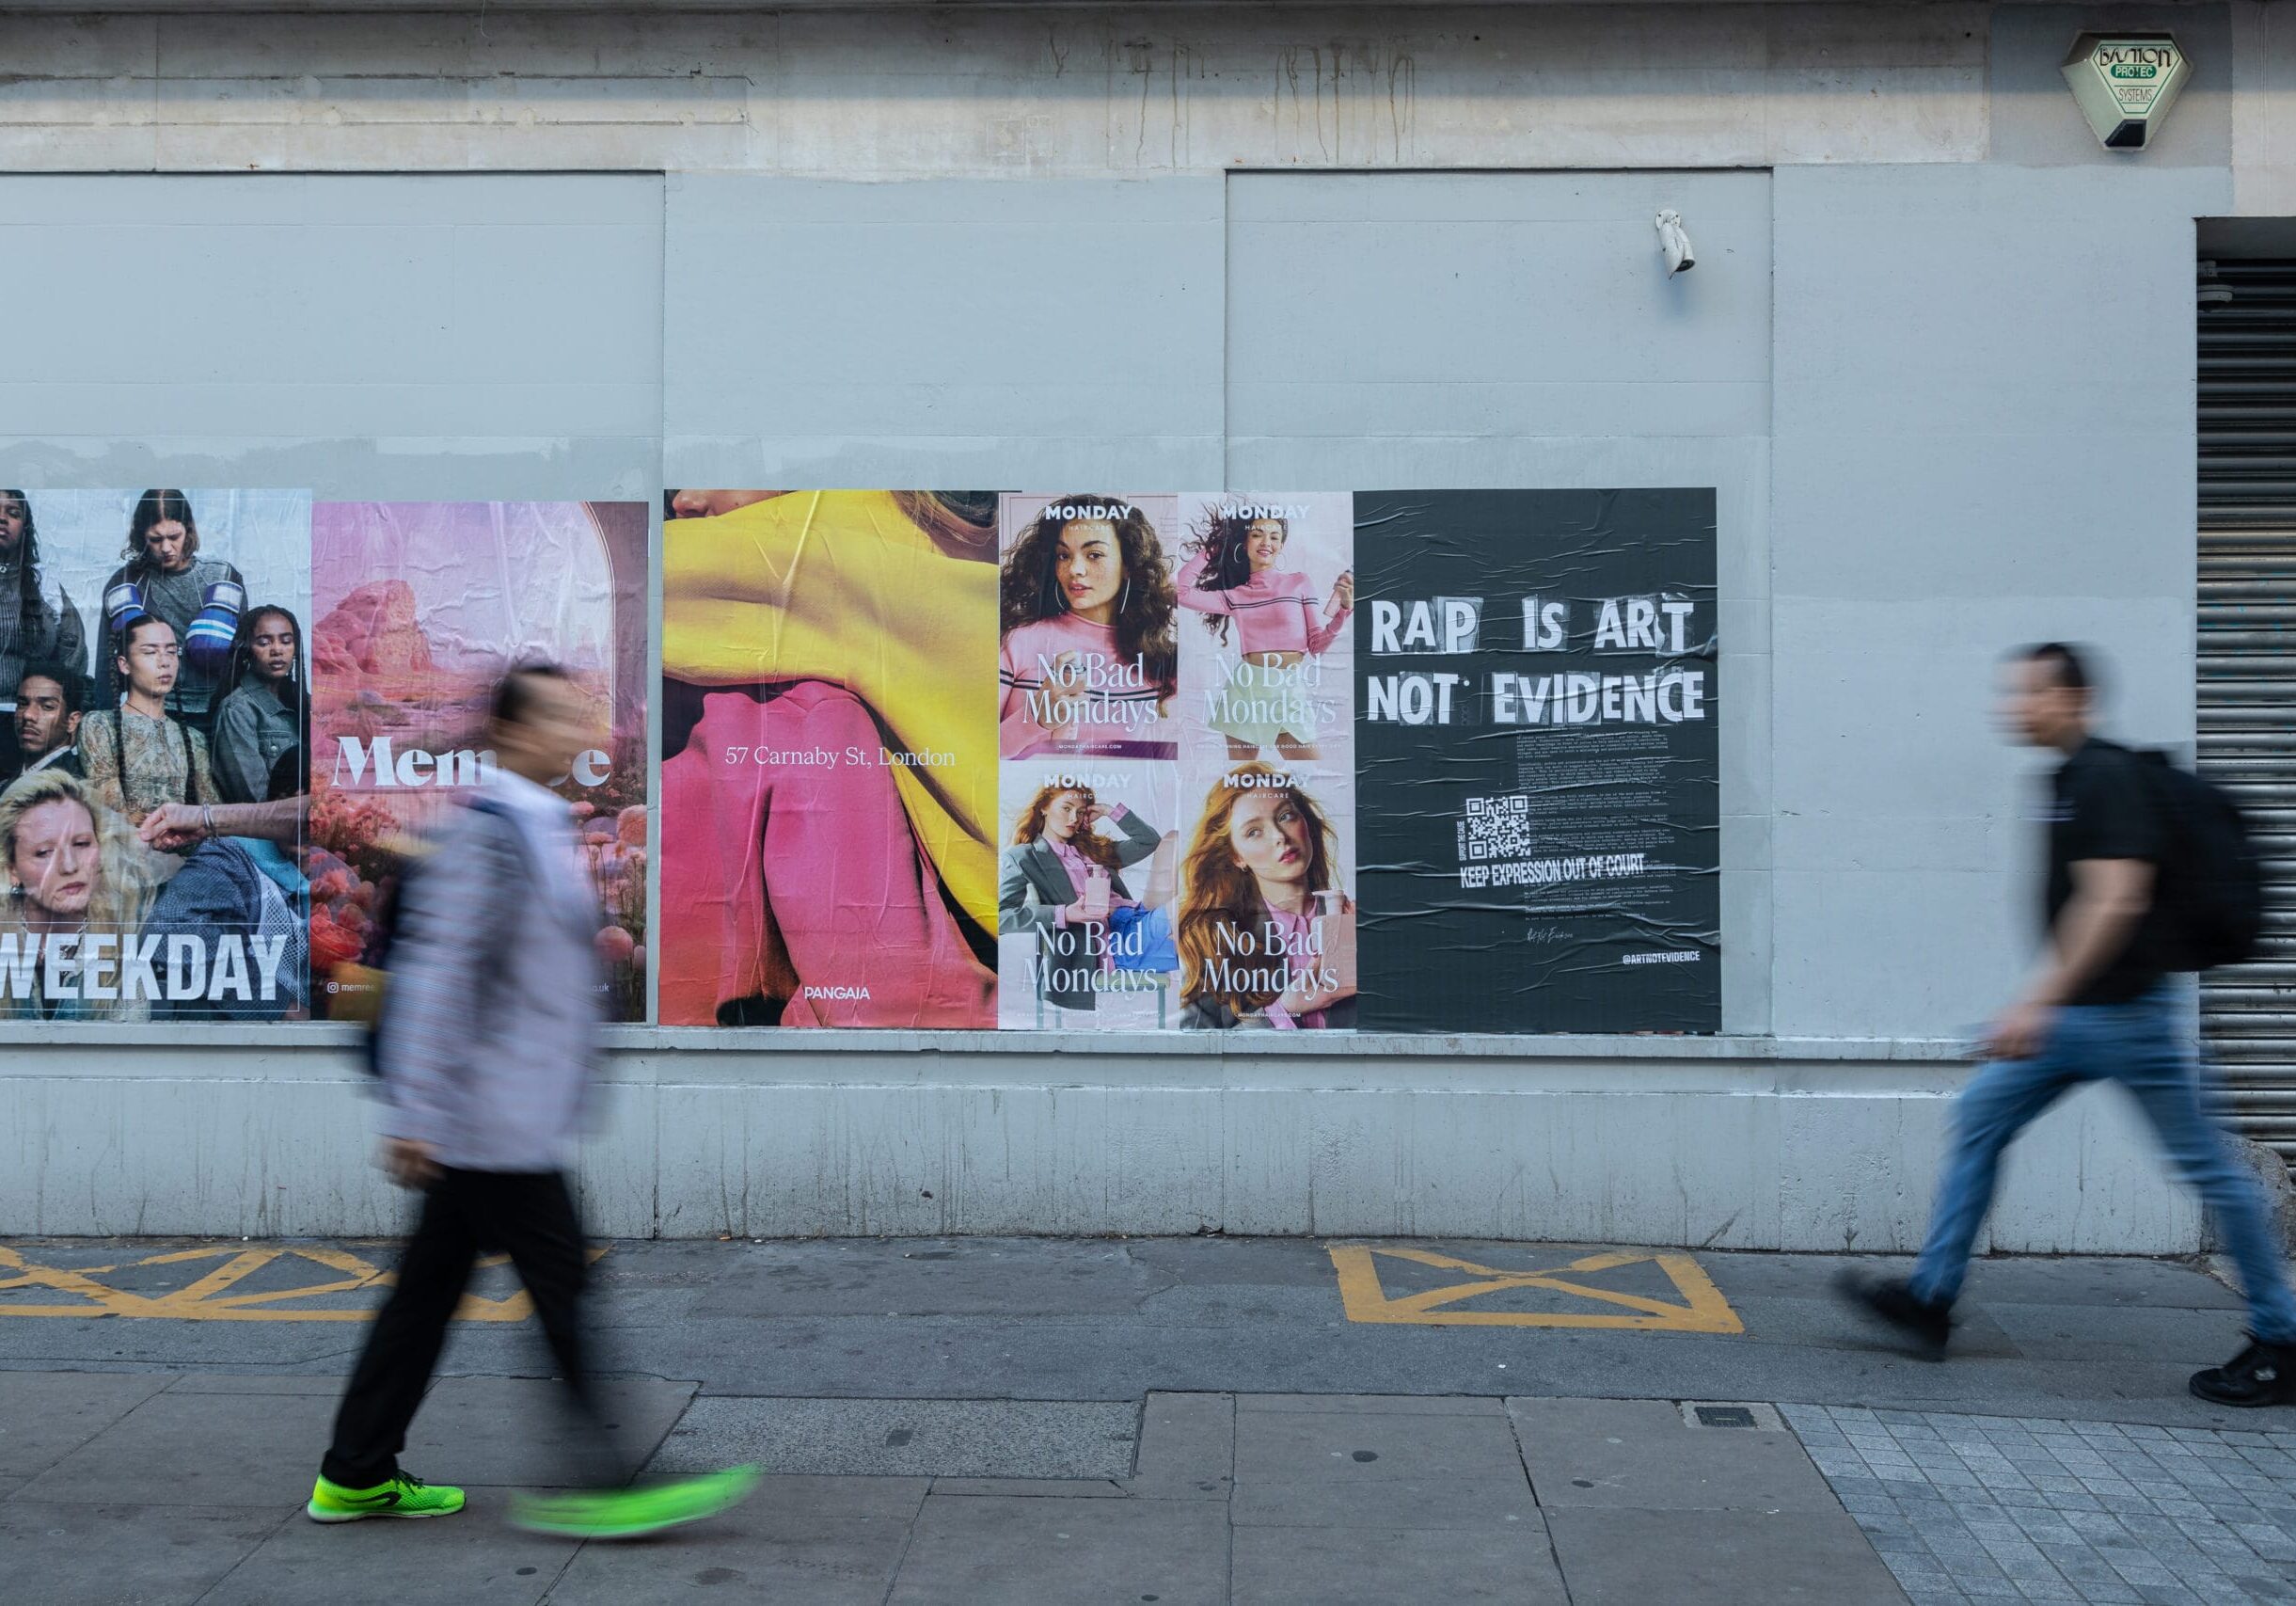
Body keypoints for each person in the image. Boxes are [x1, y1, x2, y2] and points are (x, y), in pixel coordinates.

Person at [310, 663, 755, 1537]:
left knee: (426, 1295)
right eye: (557, 716)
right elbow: (438, 981)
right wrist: (415, 1115)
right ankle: (608, 1481)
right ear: (512, 733)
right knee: (563, 1291)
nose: (578, 729)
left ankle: (355, 1470)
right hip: (487, 1118)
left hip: (508, 1112)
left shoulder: (545, 824)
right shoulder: (491, 834)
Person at [1839, 644, 2296, 1406]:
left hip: (2126, 1018)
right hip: (2082, 1016)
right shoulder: (2065, 779)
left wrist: (2034, 1001)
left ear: (2074, 699)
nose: (2014, 706)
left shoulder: (2102, 776)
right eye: (2013, 693)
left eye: (2030, 694)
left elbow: (2113, 896)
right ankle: (1929, 1300)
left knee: (2209, 1169)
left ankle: (2279, 1337)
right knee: (1981, 1117)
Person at [657, 490, 999, 1028]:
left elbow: (884, 997)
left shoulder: (814, 550)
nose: (685, 501)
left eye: (718, 460)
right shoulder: (993, 582)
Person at [1176, 764, 1357, 1029]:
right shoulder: (1212, 939)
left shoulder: (1356, 921)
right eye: (1254, 831)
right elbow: (1196, 1054)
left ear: (1304, 822)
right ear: (1236, 856)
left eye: (1285, 816)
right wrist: (1282, 1011)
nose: (1280, 837)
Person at [998, 498, 1178, 758]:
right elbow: (975, 757)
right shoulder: (1018, 641)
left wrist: (1164, 588)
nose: (1075, 569)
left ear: (1128, 564)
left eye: (1094, 555)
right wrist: (1034, 720)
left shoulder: (1157, 657)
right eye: (1064, 556)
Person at [1176, 508, 1354, 762]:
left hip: (1287, 690)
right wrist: (1213, 550)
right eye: (1257, 535)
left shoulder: (1299, 582)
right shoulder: (1235, 596)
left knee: (1311, 771)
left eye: (1274, 536)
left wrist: (1343, 611)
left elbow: (1316, 645)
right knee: (1242, 779)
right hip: (1245, 691)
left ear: (1281, 545)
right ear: (1244, 543)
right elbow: (1181, 592)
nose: (1266, 542)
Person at [998, 782, 1168, 1017]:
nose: (1073, 818)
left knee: (1196, 928)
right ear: (1044, 808)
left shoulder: (1094, 849)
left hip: (1135, 921)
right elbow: (1002, 917)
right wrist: (1064, 914)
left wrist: (1109, 810)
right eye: (1066, 808)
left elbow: (1149, 840)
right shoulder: (1023, 857)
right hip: (1112, 942)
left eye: (1080, 812)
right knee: (1188, 921)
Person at [0, 771, 152, 1022]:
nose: (69, 866)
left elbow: (131, 1053)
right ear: (12, 869)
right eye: (44, 852)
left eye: (81, 844)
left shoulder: (121, 941)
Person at [99, 489, 245, 722]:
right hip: (148, 711)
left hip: (215, 710)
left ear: (188, 529)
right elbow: (107, 660)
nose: (166, 548)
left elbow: (244, 654)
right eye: (155, 539)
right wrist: (105, 721)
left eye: (174, 536)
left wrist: (241, 716)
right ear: (141, 536)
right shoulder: (126, 581)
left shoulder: (222, 575)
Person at [77, 614, 215, 831]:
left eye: (172, 652)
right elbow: (110, 813)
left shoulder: (193, 738)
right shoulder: (99, 725)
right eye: (150, 652)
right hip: (126, 853)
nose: (165, 662)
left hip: (186, 851)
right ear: (124, 664)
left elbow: (211, 812)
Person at [0, 493, 89, 753]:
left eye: (13, 513)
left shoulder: (46, 583)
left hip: (32, 726)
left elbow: (73, 657)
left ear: (25, 528)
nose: (2, 519)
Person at [210, 605, 308, 803]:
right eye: (264, 642)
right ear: (247, 650)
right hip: (268, 828)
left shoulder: (305, 702)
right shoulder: (237, 710)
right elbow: (253, 799)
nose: (277, 650)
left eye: (286, 641)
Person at [10, 660, 84, 781]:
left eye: (47, 706)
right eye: (22, 704)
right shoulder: (12, 779)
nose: (28, 715)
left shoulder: (72, 785)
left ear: (72, 721)